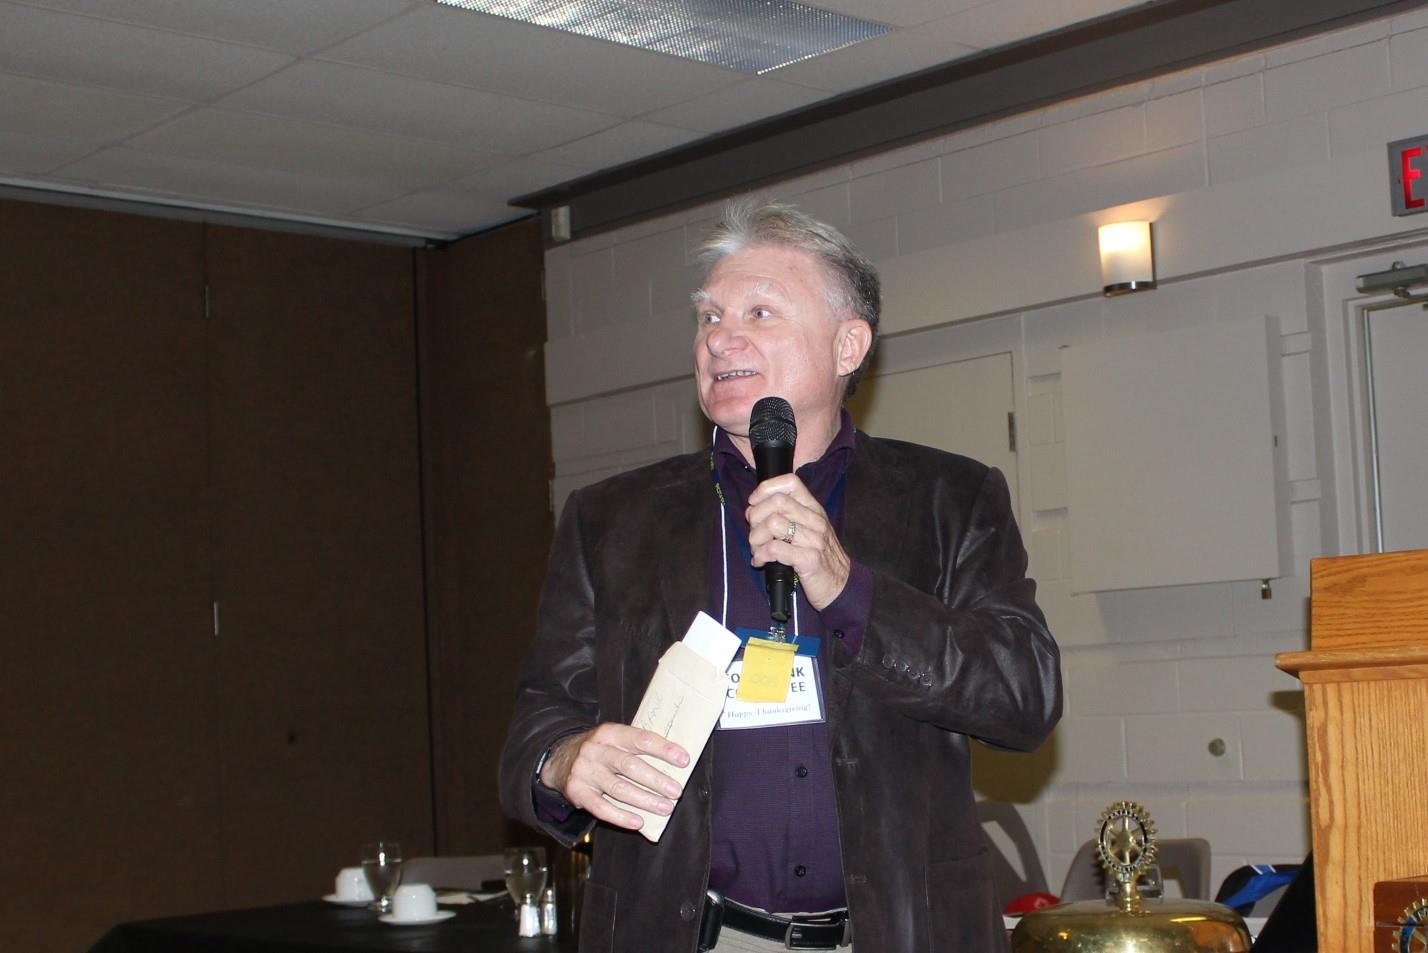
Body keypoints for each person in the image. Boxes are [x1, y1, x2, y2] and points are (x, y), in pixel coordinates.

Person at [499, 201, 1061, 953]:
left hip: (898, 934)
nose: (718, 337)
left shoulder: (950, 500)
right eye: (708, 317)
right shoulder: (612, 518)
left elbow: (1025, 697)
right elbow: (538, 720)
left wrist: (847, 587)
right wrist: (562, 759)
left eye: (759, 312)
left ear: (847, 344)